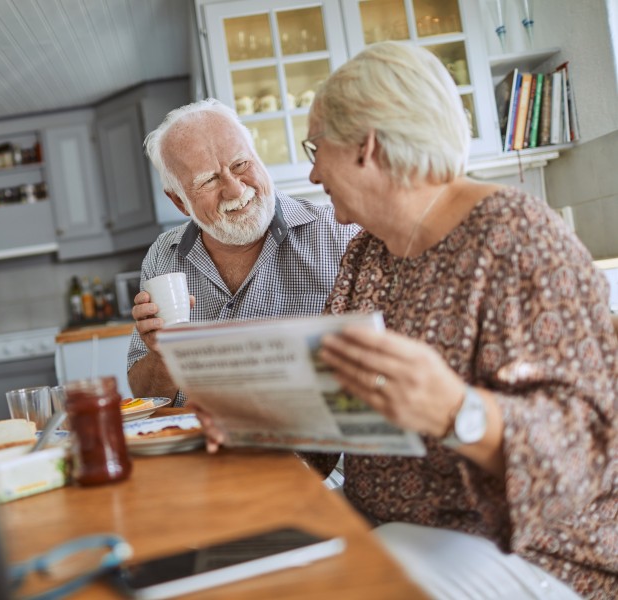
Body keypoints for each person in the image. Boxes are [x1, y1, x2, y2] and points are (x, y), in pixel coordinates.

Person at [199, 41, 616, 598]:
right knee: (232, 564)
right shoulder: (366, 255)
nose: (313, 170)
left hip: (534, 550)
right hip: (390, 525)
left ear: (367, 148)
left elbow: (587, 450)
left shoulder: (517, 239)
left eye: (317, 147)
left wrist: (456, 410)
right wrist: (252, 425)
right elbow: (331, 415)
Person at [127, 99, 359, 405]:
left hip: (307, 448)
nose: (235, 190)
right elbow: (147, 398)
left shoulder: (340, 235)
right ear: (180, 202)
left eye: (241, 165)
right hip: (196, 448)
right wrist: (162, 354)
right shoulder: (163, 256)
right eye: (209, 180)